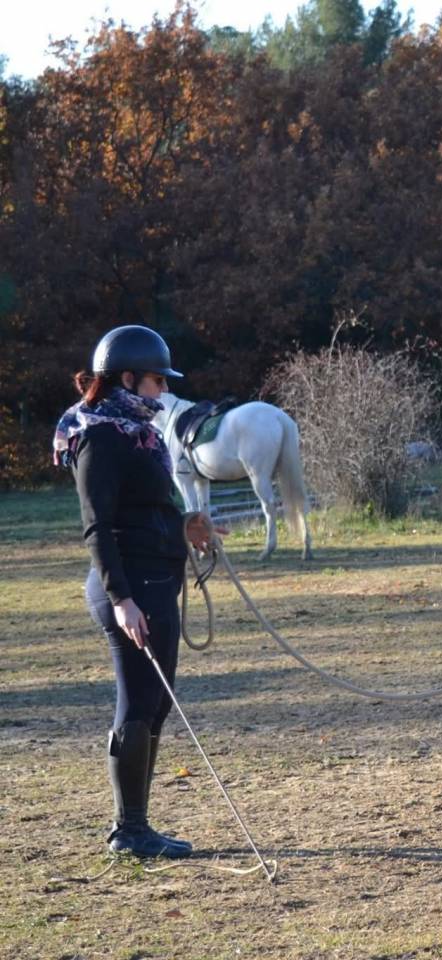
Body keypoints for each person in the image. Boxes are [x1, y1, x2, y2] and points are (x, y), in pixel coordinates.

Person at [54, 325, 217, 859]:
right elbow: (98, 526)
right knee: (139, 702)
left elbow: (144, 508)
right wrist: (122, 599)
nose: (163, 390)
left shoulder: (135, 433)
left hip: (155, 581)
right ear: (127, 379)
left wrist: (184, 524)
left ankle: (137, 824)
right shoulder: (101, 437)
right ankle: (129, 830)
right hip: (131, 589)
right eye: (155, 380)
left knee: (154, 704)